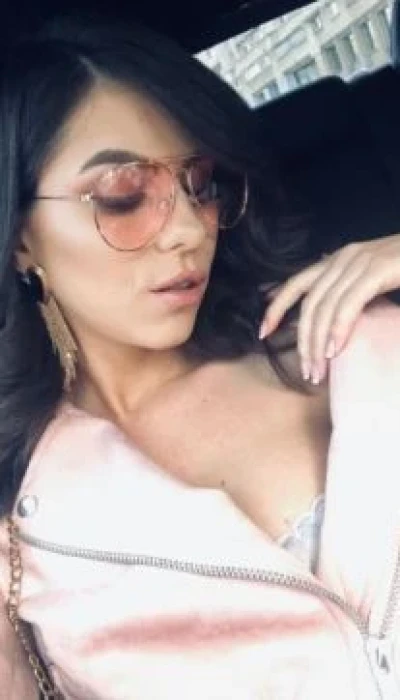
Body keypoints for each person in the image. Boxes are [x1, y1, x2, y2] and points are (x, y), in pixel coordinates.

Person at [1, 14, 400, 700]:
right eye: (124, 196)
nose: (189, 229)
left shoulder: (348, 329)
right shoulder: (26, 530)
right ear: (20, 239)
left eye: (202, 184)